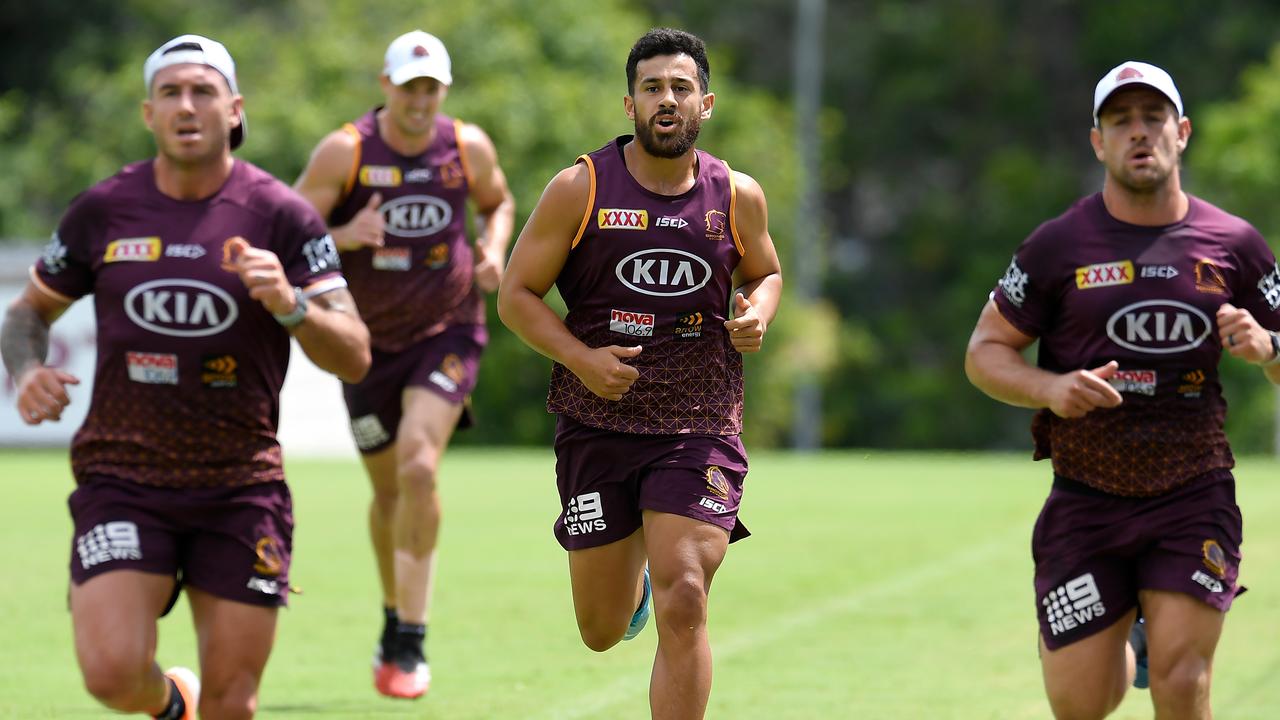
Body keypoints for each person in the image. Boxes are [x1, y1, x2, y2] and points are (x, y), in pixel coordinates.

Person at [1, 35, 371, 719]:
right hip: (123, 480)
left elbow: (354, 353)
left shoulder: (282, 217)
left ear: (234, 110)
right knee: (111, 674)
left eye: (203, 91)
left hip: (239, 489)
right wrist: (26, 370)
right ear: (148, 114)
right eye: (170, 92)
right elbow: (28, 313)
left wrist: (291, 305)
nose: (186, 105)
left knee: (234, 703)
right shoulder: (104, 209)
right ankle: (173, 705)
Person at [965, 61, 1280, 719]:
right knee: (1083, 703)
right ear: (1098, 142)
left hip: (1194, 494)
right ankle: (1133, 631)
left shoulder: (1236, 245)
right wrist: (1050, 388)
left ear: (1182, 132)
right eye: (1121, 121)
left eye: (1154, 118)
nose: (1140, 134)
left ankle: (1158, 630)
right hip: (1086, 501)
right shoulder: (1057, 246)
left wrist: (1268, 348)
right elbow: (984, 352)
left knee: (1182, 679)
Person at [497, 28, 782, 720]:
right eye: (652, 87)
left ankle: (664, 584)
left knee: (686, 592)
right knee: (599, 631)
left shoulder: (736, 195)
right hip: (599, 420)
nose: (667, 99)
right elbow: (515, 296)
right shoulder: (580, 188)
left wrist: (758, 314)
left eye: (681, 87)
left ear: (705, 104)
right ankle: (633, 597)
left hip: (699, 421)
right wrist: (581, 359)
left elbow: (766, 272)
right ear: (628, 104)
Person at [292, 29, 514, 699]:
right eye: (409, 87)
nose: (420, 100)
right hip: (362, 346)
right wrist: (343, 236)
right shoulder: (348, 150)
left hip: (446, 333)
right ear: (386, 86)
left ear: (442, 91)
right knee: (388, 492)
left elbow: (497, 202)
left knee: (420, 467)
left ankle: (411, 640)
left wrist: (492, 246)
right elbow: (286, 231)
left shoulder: (466, 146)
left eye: (431, 88)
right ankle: (393, 619)